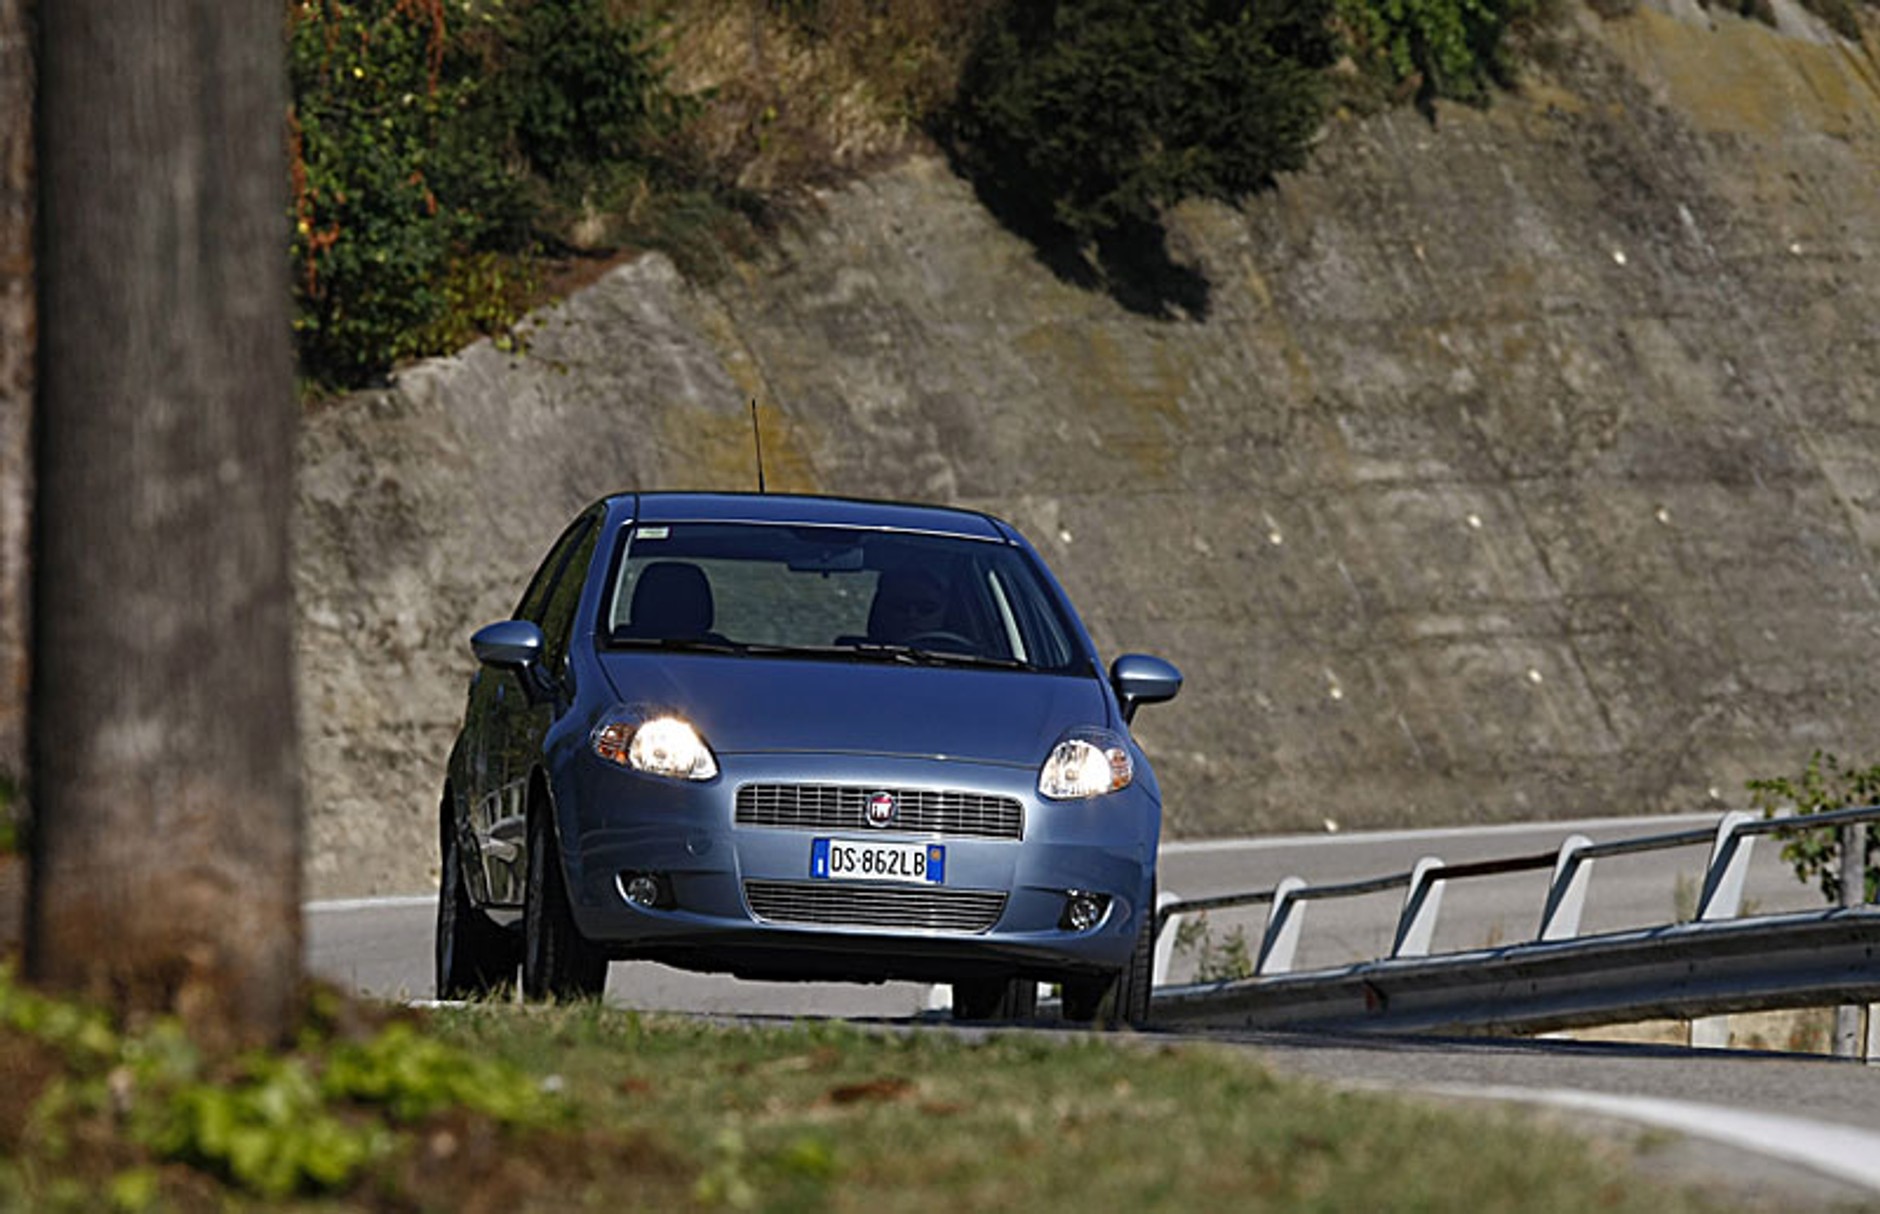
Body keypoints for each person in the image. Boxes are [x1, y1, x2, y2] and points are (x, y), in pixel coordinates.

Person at [868, 568, 949, 644]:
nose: (912, 615)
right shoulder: (858, 654)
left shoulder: (959, 657)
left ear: (945, 614)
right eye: (901, 606)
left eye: (926, 609)